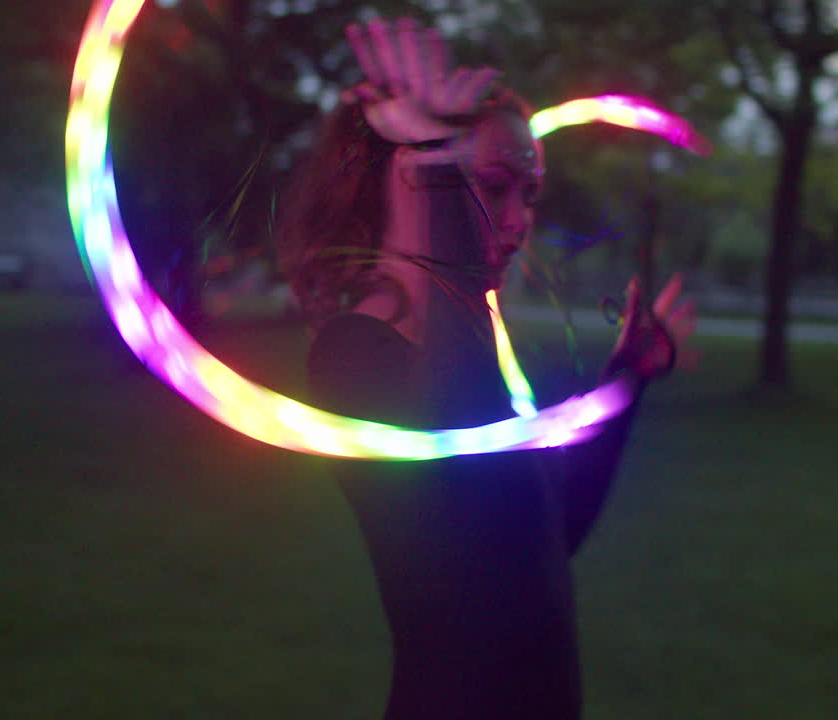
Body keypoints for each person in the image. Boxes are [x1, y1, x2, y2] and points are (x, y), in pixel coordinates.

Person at [276, 19, 696, 720]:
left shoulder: (474, 350)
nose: (519, 220)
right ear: (407, 178)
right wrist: (436, 166)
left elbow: (543, 540)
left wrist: (629, 374)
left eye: (529, 194)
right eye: (494, 187)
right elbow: (464, 447)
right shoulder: (354, 354)